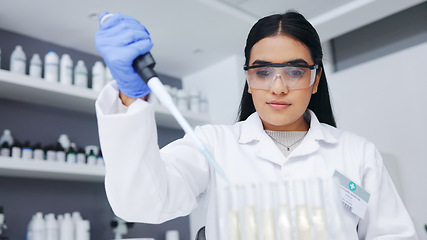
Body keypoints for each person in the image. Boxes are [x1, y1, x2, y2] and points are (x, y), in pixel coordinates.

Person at [94, 10, 418, 239]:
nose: (277, 87)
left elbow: (392, 235)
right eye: (262, 72)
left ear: (315, 78)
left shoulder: (356, 154)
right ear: (248, 80)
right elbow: (141, 203)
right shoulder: (214, 145)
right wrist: (129, 95)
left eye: (294, 71)